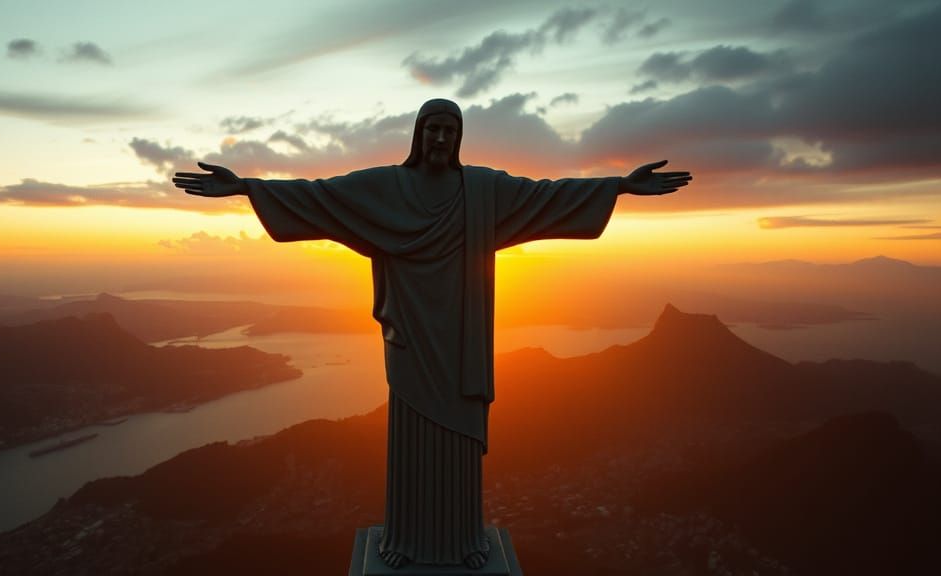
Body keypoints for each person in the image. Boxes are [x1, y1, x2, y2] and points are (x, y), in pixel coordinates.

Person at [173, 98, 690, 569]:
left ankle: (464, 543)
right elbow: (322, 196)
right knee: (413, 441)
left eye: (449, 130)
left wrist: (619, 185)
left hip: (461, 340)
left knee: (458, 441)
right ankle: (406, 541)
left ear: (458, 138)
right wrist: (245, 187)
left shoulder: (484, 191)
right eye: (432, 129)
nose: (440, 139)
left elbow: (545, 198)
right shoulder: (384, 188)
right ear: (418, 136)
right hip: (411, 338)